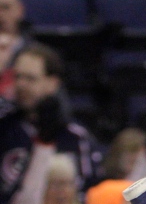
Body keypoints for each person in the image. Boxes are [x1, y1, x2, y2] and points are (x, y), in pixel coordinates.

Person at [11, 43, 105, 195]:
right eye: (18, 77)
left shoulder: (74, 137)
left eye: (30, 79)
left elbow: (88, 192)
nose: (21, 85)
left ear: (52, 83)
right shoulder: (5, 129)